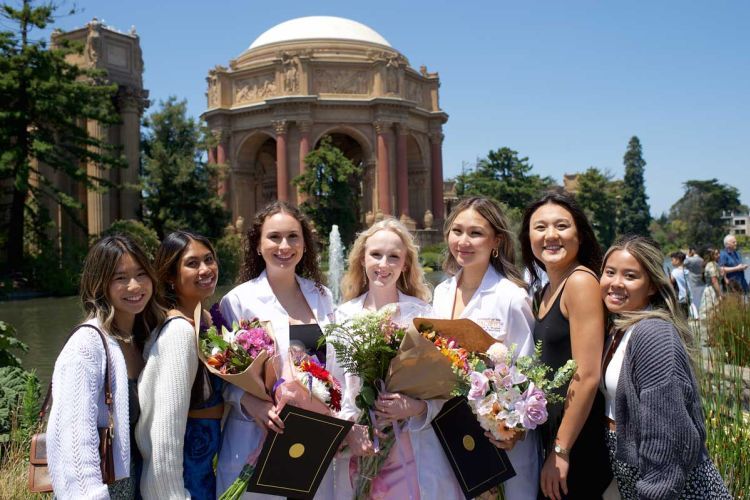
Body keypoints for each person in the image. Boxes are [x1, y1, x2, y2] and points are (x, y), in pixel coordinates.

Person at [332, 218, 463, 499]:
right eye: (376, 255)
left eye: (394, 257)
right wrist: (350, 429)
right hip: (362, 446)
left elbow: (447, 387)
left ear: (405, 264)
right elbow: (335, 386)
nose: (384, 264)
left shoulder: (423, 315)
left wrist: (416, 407)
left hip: (412, 446)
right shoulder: (342, 316)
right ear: (362, 259)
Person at [216, 201, 335, 499]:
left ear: (305, 244)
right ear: (257, 245)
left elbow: (334, 370)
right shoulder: (237, 301)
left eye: (293, 236)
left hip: (312, 439)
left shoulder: (322, 296)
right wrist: (249, 402)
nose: (284, 245)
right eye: (274, 237)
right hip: (256, 436)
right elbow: (219, 375)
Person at [599, 235, 730, 499]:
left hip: (673, 489)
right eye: (610, 272)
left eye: (631, 276)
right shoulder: (619, 328)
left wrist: (656, 491)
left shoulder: (653, 334)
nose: (616, 283)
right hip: (637, 478)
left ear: (651, 287)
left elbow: (667, 434)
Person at [432, 196, 538, 499]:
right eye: (457, 231)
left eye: (476, 233)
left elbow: (528, 372)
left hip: (502, 443)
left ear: (497, 241)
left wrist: (512, 428)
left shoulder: (511, 297)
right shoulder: (441, 293)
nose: (463, 241)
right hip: (450, 434)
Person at [47, 235, 165, 499]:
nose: (134, 286)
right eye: (120, 278)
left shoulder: (144, 338)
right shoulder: (87, 344)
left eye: (141, 274)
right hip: (101, 489)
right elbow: (73, 435)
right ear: (100, 284)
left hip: (137, 485)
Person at [520, 193, 612, 500]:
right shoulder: (546, 289)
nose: (550, 235)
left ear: (580, 234)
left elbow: (587, 375)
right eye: (540, 227)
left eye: (561, 226)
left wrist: (561, 449)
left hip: (578, 441)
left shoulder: (580, 282)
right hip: (555, 435)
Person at [136, 231, 224, 499]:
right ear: (170, 278)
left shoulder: (205, 320)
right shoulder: (179, 333)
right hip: (185, 481)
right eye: (192, 263)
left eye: (209, 259)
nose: (205, 269)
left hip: (206, 471)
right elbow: (163, 430)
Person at [699, 247, 722, 320]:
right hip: (712, 291)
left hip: (711, 289)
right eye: (716, 254)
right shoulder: (711, 265)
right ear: (711, 255)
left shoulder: (713, 264)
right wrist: (719, 294)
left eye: (719, 253)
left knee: (713, 312)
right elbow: (714, 280)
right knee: (710, 312)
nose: (719, 255)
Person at [669, 251, 691, 317]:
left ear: (678, 260)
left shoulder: (675, 272)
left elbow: (670, 282)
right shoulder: (687, 270)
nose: (671, 262)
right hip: (688, 296)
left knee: (680, 317)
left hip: (680, 298)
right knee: (686, 315)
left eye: (672, 260)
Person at [684, 247, 705, 313]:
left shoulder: (690, 260)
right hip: (701, 281)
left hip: (693, 281)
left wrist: (687, 255)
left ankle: (697, 313)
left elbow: (684, 263)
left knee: (695, 299)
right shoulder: (702, 259)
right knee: (702, 297)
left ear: (692, 251)